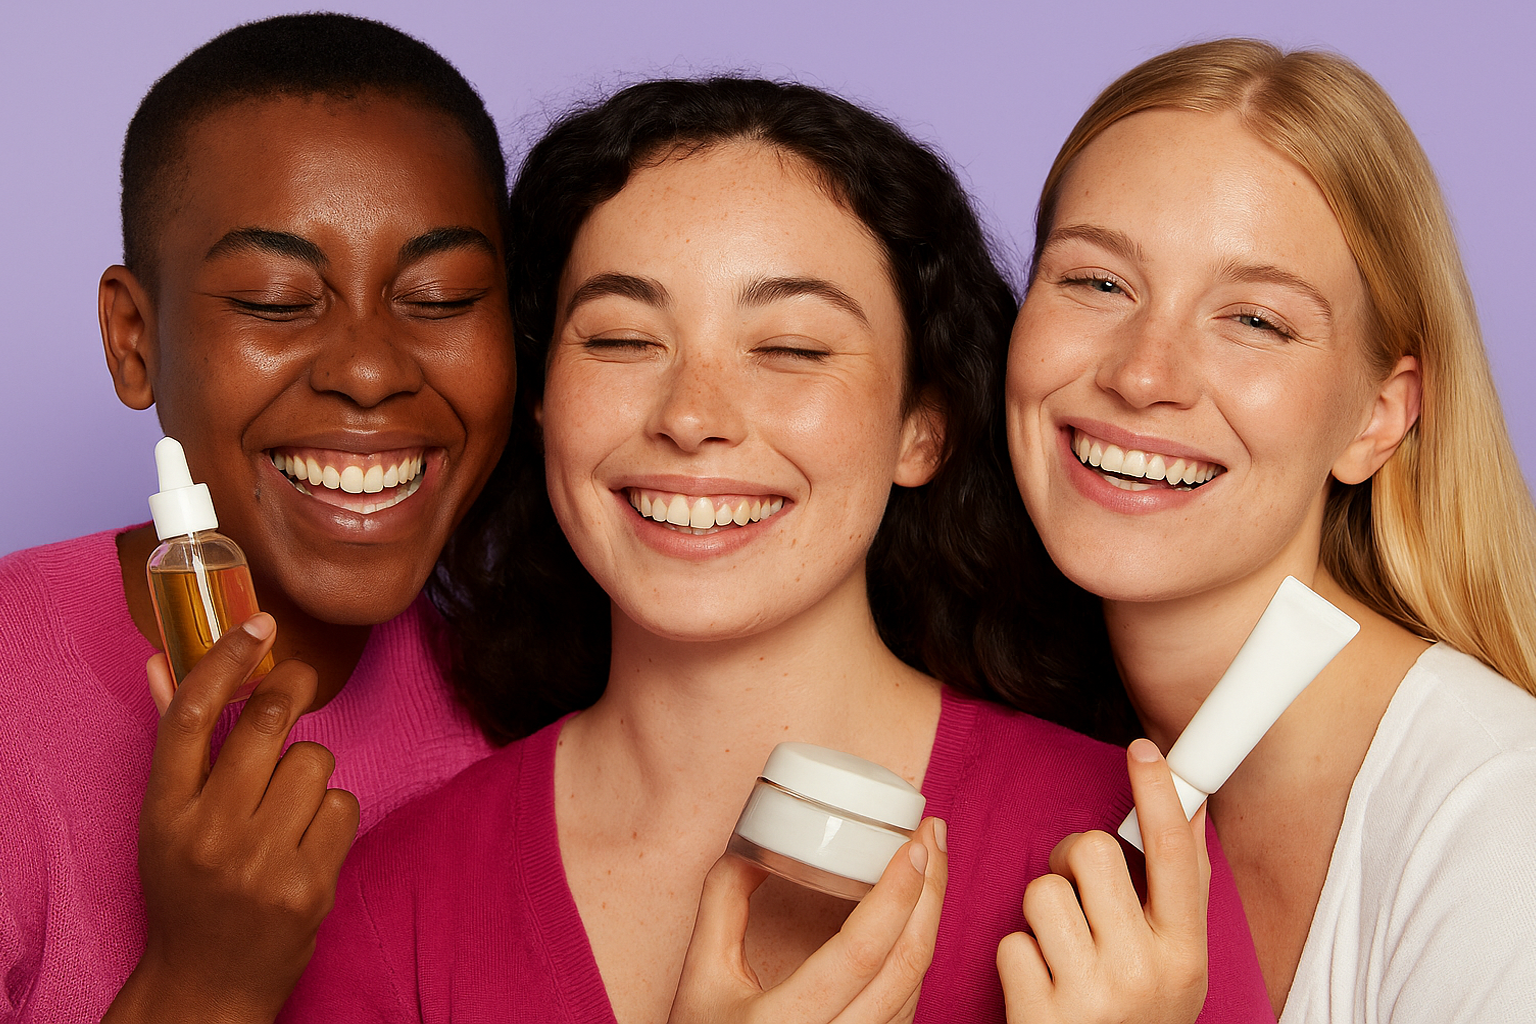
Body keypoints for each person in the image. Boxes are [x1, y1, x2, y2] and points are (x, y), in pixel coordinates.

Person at [284, 77, 1273, 1023]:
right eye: (622, 340)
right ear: (541, 399)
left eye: (792, 349)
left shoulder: (1120, 857)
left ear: (921, 428)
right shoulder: (398, 898)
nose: (691, 416)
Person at [1005, 38, 1536, 1022]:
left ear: (1377, 416)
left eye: (1254, 320)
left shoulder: (1502, 819)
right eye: (1098, 282)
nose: (1143, 374)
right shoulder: (1017, 751)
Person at [0, 14, 516, 1023]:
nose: (369, 370)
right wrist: (204, 982)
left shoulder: (537, 697)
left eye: (442, 297)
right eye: (279, 301)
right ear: (135, 338)